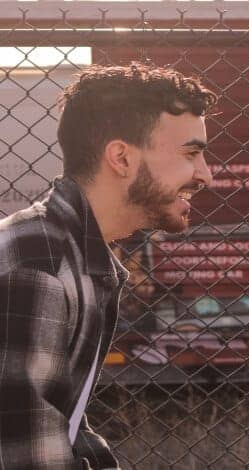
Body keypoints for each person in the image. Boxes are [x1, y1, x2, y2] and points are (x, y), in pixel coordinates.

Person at [0, 63, 216, 469]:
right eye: (191, 153)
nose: (205, 175)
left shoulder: (75, 256)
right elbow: (25, 458)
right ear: (121, 157)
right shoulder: (38, 268)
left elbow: (63, 427)